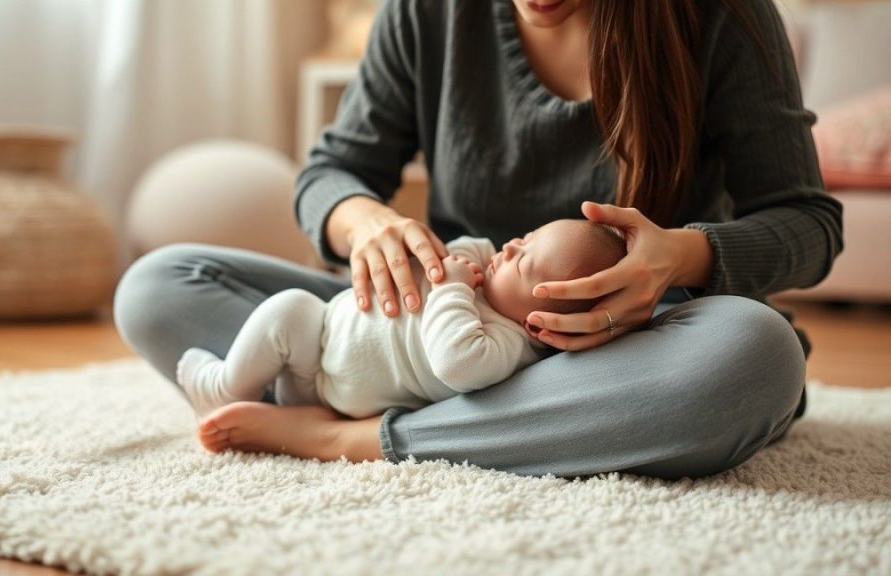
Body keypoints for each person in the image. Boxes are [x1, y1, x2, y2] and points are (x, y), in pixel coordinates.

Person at [113, 0, 843, 479]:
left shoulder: (718, 15)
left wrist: (686, 255)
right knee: (157, 285)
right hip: (426, 338)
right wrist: (366, 222)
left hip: (624, 355)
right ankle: (496, 425)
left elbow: (809, 222)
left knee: (757, 356)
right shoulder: (426, 12)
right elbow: (332, 172)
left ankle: (356, 437)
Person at [176, 220, 625, 452]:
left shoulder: (506, 345)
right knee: (289, 306)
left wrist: (450, 287)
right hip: (320, 332)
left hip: (339, 396)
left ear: (540, 324)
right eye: (524, 238)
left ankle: (279, 415)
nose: (509, 249)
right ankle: (227, 388)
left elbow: (456, 362)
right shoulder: (483, 262)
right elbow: (458, 249)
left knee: (284, 310)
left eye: (522, 263)